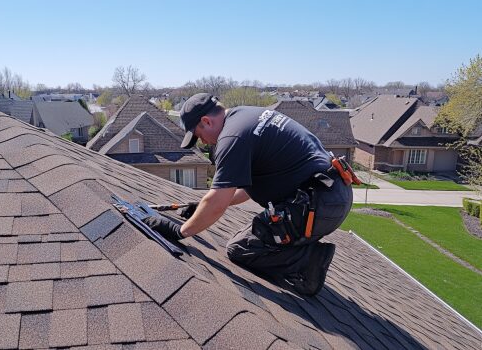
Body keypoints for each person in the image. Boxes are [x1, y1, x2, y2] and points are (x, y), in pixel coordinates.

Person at [142, 93, 353, 297]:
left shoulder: (232, 137)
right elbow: (243, 190)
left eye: (198, 136)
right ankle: (299, 249)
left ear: (206, 121)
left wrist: (179, 231)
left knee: (241, 248)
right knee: (253, 237)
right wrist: (202, 207)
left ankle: (309, 259)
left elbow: (218, 202)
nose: (203, 143)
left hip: (318, 205)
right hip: (329, 196)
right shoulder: (246, 116)